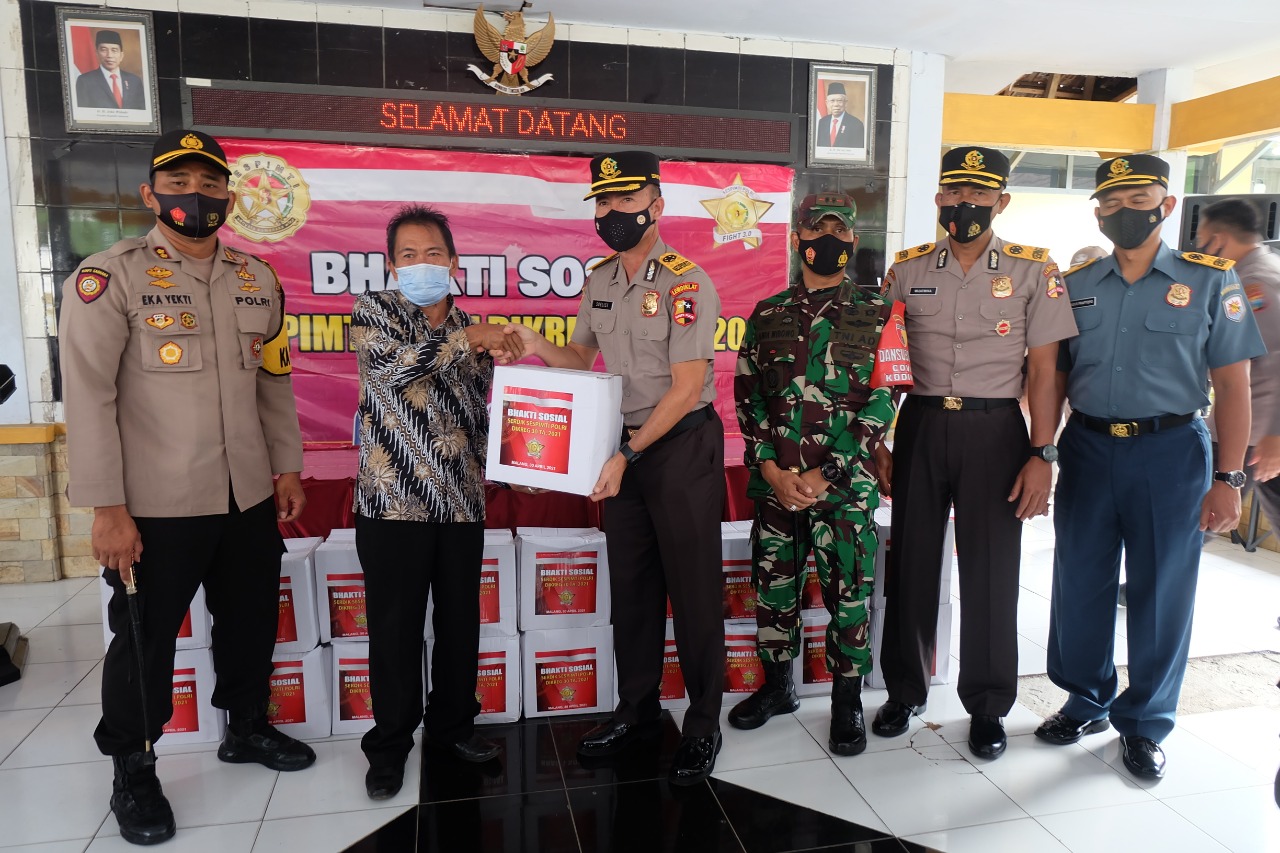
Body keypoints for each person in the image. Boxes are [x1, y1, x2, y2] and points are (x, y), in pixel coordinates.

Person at [60, 129, 315, 846]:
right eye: (178, 184)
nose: (194, 196)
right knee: (144, 641)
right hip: (156, 506)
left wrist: (286, 467)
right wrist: (107, 508)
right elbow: (89, 398)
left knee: (250, 619)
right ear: (151, 195)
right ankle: (134, 769)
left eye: (209, 184)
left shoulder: (257, 279)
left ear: (229, 197)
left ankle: (246, 725)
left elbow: (273, 382)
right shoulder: (108, 278)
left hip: (245, 496)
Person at [500, 150, 727, 785]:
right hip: (625, 447)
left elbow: (686, 388)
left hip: (679, 446)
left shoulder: (686, 284)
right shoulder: (599, 280)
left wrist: (626, 456)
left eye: (625, 200)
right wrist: (535, 345)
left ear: (657, 205)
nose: (612, 212)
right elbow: (580, 360)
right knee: (633, 587)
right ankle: (638, 710)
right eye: (603, 202)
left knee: (693, 591)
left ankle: (702, 723)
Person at [1036, 155, 1265, 779]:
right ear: (1098, 215)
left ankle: (1144, 723)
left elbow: (1234, 386)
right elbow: (1052, 376)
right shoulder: (1074, 282)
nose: (1124, 211)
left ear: (1166, 205)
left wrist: (1229, 478)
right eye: (1111, 203)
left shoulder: (1210, 280)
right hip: (1087, 447)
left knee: (1162, 591)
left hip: (1172, 452)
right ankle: (1086, 699)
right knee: (1080, 581)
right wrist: (1044, 451)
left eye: (1139, 199)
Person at [872, 147, 1078, 759]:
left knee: (991, 570)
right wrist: (878, 440)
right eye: (955, 192)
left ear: (1001, 201)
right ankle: (905, 690)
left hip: (995, 431)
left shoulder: (1034, 270)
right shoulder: (906, 269)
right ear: (939, 198)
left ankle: (987, 705)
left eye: (979, 194)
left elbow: (1045, 372)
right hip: (920, 424)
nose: (965, 204)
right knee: (911, 562)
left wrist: (1043, 453)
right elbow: (885, 362)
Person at [351, 205, 523, 800]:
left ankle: (453, 728)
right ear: (391, 265)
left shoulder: (472, 326)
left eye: (432, 254)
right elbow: (388, 375)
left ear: (453, 261)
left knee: (458, 624)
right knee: (394, 629)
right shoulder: (375, 310)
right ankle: (389, 745)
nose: (420, 264)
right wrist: (467, 340)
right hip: (392, 503)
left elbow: (482, 413)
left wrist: (518, 463)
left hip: (460, 503)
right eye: (408, 255)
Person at [730, 192, 907, 755]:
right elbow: (747, 396)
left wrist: (827, 472)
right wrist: (772, 468)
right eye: (816, 230)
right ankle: (777, 688)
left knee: (848, 595)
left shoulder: (881, 312)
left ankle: (846, 701)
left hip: (844, 488)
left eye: (839, 231)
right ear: (797, 239)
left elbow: (884, 401)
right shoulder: (767, 313)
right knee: (774, 589)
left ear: (853, 240)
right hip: (777, 486)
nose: (827, 240)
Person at [1195, 199, 1280, 527]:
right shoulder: (1256, 271)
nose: (1198, 250)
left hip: (1254, 434)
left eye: (1201, 240)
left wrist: (1275, 435)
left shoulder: (1254, 284)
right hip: (1253, 431)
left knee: (1201, 519)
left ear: (1218, 240)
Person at [75, 30, 145, 110]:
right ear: (97, 53)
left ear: (121, 55)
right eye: (104, 50)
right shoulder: (85, 81)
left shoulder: (134, 81)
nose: (109, 55)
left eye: (114, 50)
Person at [815, 82, 866, 150]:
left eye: (839, 101)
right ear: (827, 103)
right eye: (832, 101)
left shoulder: (856, 124)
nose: (836, 104)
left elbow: (858, 151)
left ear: (845, 103)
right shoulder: (822, 122)